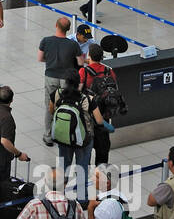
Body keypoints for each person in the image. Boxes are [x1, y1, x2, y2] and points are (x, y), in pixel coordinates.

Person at [48, 69, 104, 203]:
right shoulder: (87, 99)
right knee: (82, 167)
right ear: (79, 83)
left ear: (66, 82)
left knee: (64, 165)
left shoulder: (57, 94)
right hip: (83, 140)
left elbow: (51, 110)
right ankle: (82, 199)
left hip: (63, 137)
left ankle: (60, 196)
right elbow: (99, 120)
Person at [38, 16, 85, 146]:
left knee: (49, 106)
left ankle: (48, 136)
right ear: (69, 29)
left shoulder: (45, 41)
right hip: (67, 80)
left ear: (56, 25)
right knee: (66, 105)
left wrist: (52, 61)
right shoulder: (73, 44)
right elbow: (80, 62)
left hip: (50, 76)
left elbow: (40, 58)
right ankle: (64, 132)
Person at [0, 85, 29, 213]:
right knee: (0, 183)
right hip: (1, 156)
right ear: (11, 100)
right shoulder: (7, 118)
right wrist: (19, 154)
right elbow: (5, 141)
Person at [80, 42, 119, 165]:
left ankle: (84, 175)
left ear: (89, 56)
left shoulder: (84, 72)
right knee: (102, 154)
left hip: (88, 119)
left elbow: (78, 93)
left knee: (84, 153)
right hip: (104, 119)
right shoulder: (109, 71)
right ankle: (101, 178)